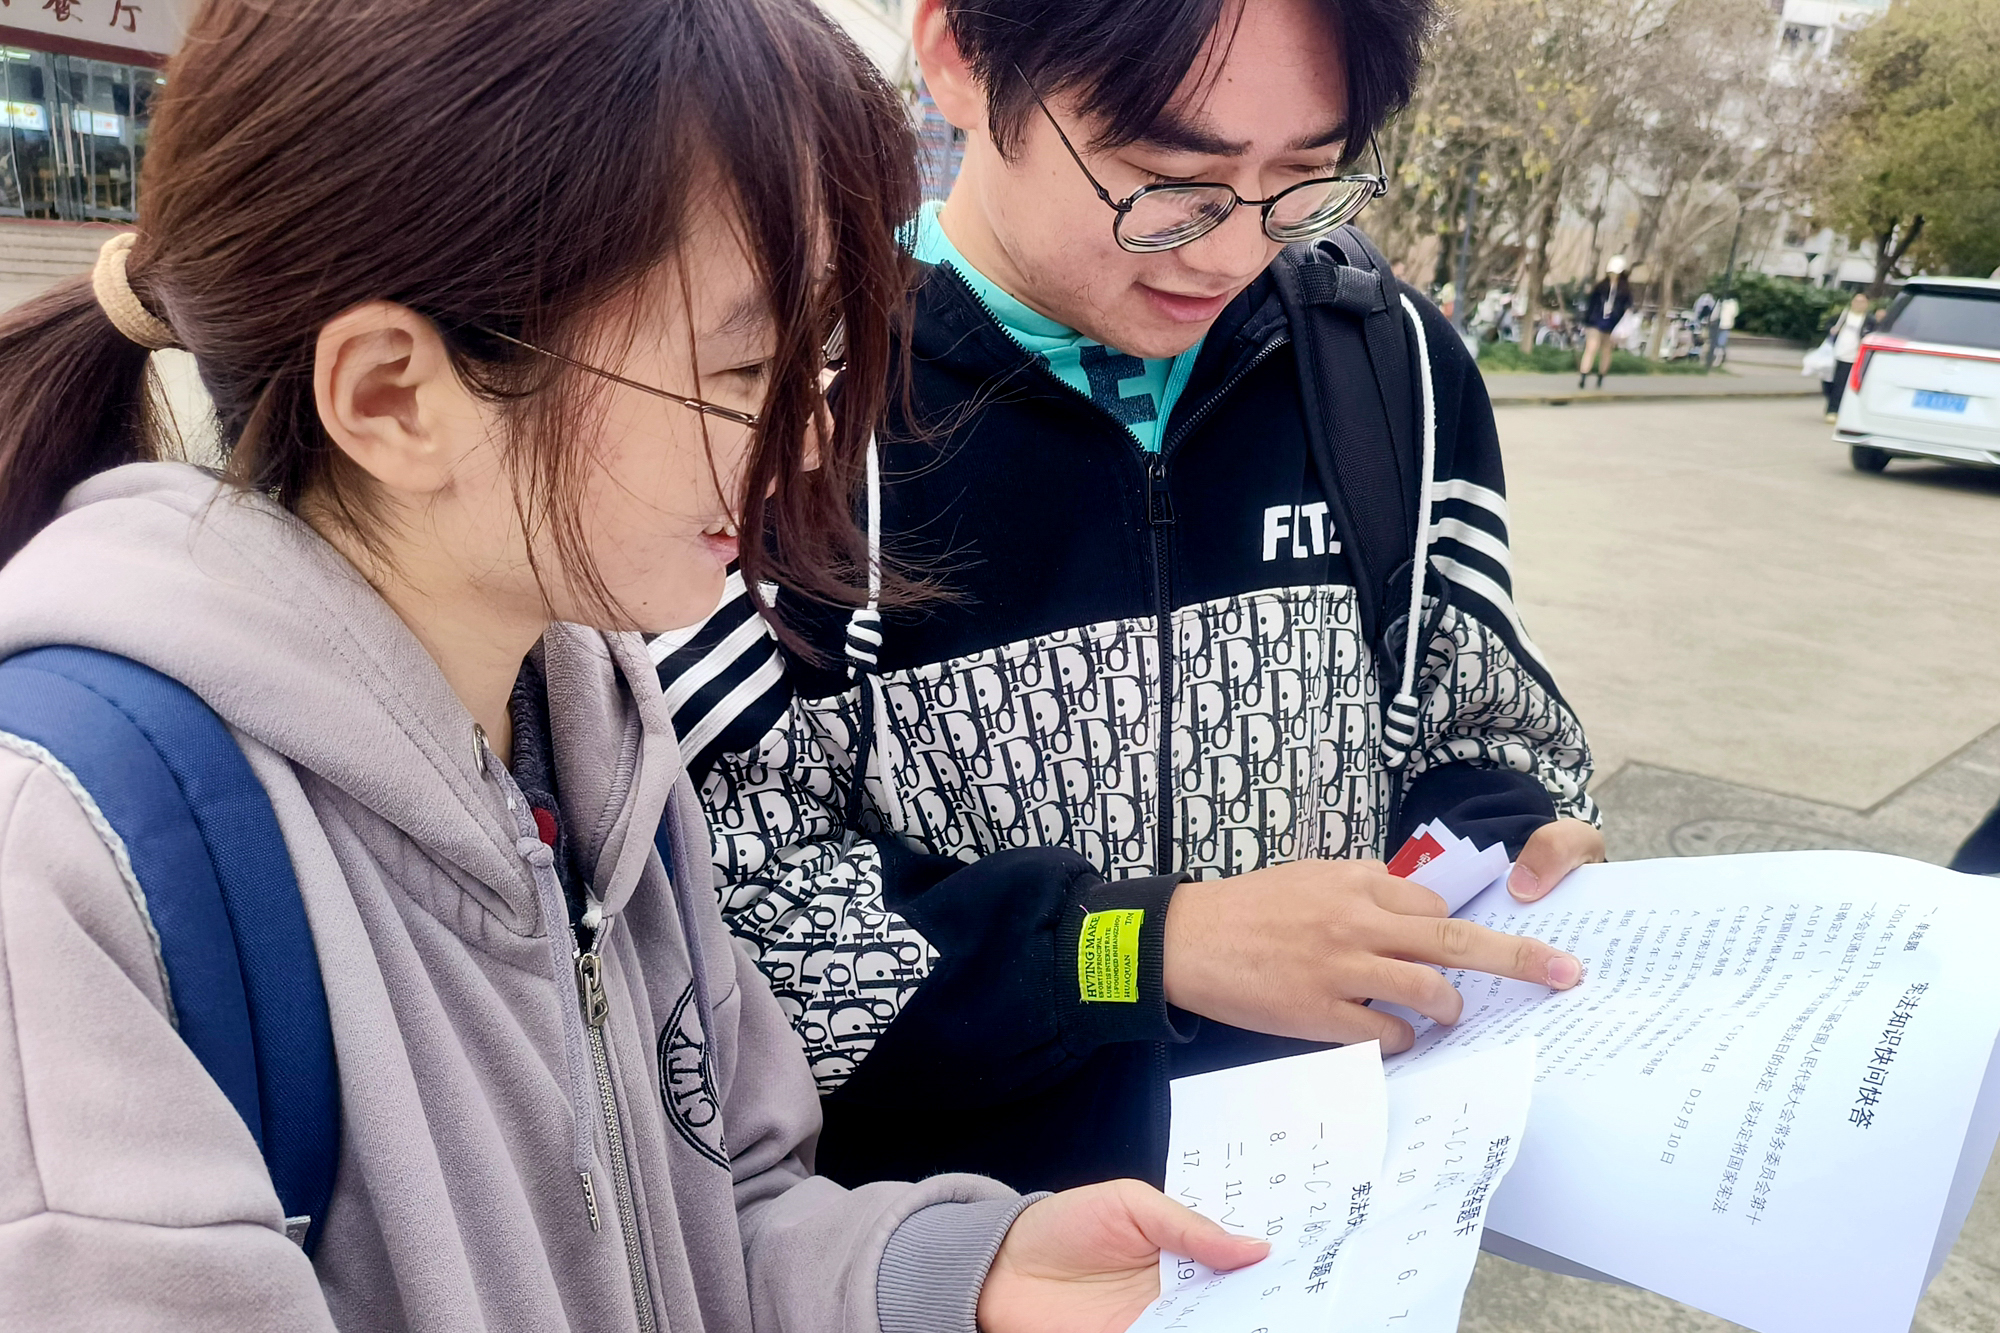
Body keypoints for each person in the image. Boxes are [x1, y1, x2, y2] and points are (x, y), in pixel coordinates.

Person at [0, 0, 1266, 1327]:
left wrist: (964, 1270)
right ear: (392, 395)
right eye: (743, 370)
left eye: (820, 356)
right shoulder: (81, 862)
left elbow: (722, 1218)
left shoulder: (598, 743)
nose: (808, 443)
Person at [660, 0, 1602, 1195]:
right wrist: (1142, 948)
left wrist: (1509, 840)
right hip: (961, 1248)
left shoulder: (1386, 367)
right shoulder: (782, 403)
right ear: (959, 55)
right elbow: (717, 924)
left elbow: (1481, 721)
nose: (1228, 252)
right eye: (1169, 179)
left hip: (1343, 1213)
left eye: (1300, 178)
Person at [1578, 255, 1632, 388]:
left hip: (1612, 324)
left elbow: (1627, 308)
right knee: (1591, 348)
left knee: (1606, 351)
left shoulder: (1624, 290)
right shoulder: (1601, 287)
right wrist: (1586, 322)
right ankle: (1583, 377)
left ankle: (1600, 378)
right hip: (1596, 321)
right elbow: (1591, 305)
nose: (1613, 276)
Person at [1825, 292, 1873, 422]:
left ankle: (1838, 411)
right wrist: (1832, 330)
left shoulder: (1869, 320)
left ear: (1867, 304)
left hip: (1855, 357)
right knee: (1832, 383)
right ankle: (1832, 408)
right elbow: (1828, 325)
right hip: (1837, 354)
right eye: (1856, 301)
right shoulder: (1843, 316)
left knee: (1845, 386)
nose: (1858, 304)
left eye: (1861, 302)